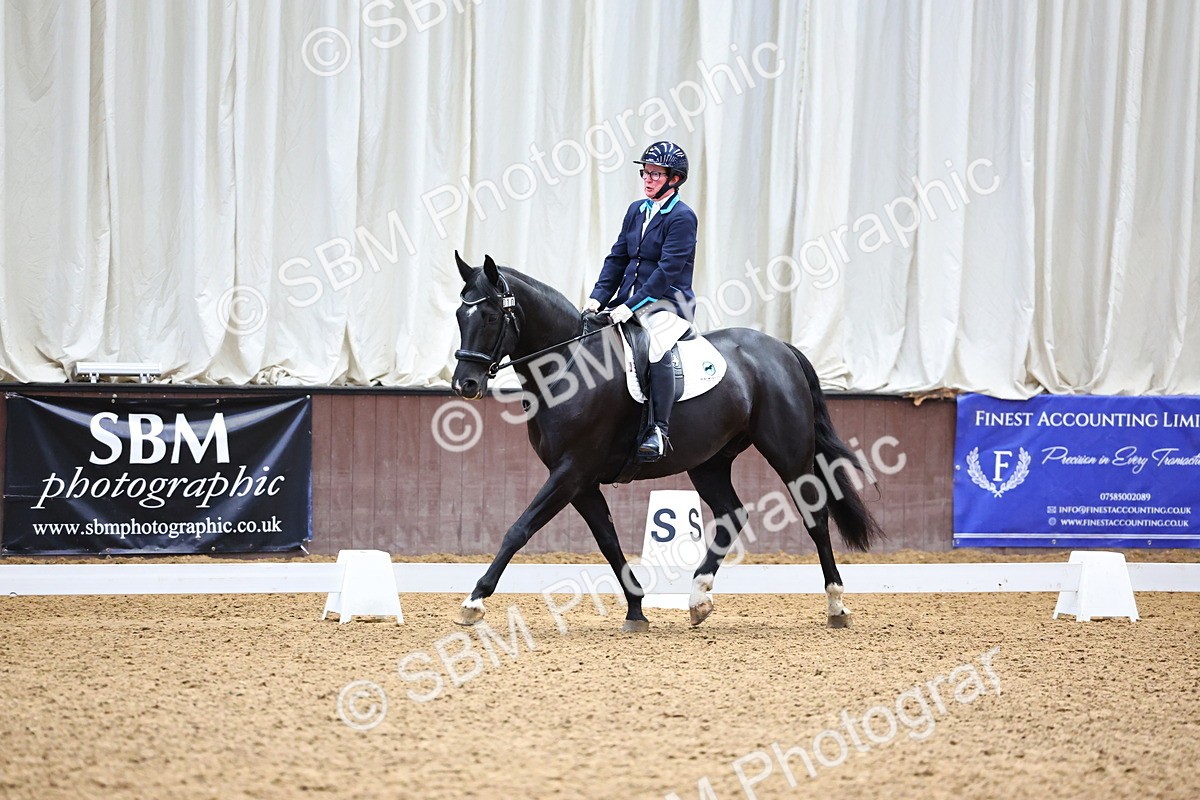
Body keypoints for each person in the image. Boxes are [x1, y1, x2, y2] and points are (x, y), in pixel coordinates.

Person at [582, 141, 697, 462]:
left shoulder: (682, 217)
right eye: (645, 172)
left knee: (656, 346)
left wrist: (630, 306)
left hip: (669, 304)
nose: (647, 179)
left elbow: (666, 272)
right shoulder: (637, 210)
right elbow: (618, 257)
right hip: (627, 299)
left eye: (656, 174)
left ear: (674, 179)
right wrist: (597, 298)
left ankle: (658, 430)